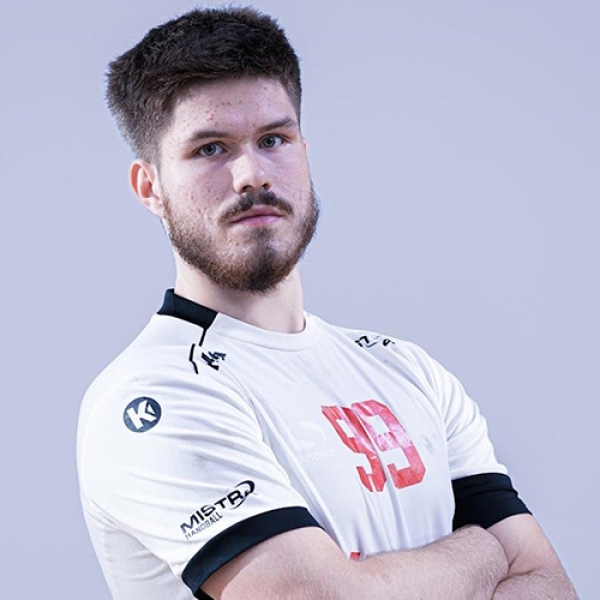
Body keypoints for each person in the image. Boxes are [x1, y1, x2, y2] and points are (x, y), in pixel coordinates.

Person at [77, 7, 578, 600]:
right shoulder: (154, 395)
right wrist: (484, 550)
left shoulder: (407, 370)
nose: (251, 175)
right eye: (211, 149)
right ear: (151, 187)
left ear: (304, 150)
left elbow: (548, 584)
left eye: (274, 140)